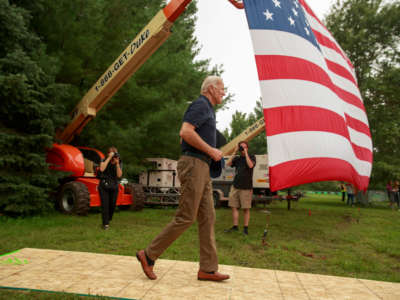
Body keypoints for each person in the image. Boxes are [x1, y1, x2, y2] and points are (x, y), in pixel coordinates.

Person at [136, 76, 230, 282]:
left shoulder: (207, 109)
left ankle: (208, 269)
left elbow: (186, 136)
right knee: (186, 216)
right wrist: (211, 150)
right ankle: (149, 255)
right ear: (211, 89)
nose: (224, 92)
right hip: (194, 165)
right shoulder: (201, 104)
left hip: (202, 167)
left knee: (208, 217)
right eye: (222, 88)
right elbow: (185, 132)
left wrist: (210, 154)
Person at [224, 141, 256, 235]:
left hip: (246, 187)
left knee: (246, 209)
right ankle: (235, 226)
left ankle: (245, 228)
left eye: (244, 147)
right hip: (235, 186)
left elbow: (250, 165)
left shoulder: (252, 157)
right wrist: (234, 152)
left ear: (247, 148)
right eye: (241, 147)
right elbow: (228, 164)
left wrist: (245, 153)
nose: (242, 149)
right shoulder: (237, 159)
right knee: (234, 207)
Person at [98, 146, 122, 230]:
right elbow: (101, 169)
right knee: (105, 205)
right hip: (104, 185)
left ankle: (108, 219)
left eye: (115, 153)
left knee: (112, 205)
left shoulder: (118, 161)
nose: (113, 155)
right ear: (108, 153)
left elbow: (119, 175)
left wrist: (117, 164)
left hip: (114, 185)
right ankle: (105, 224)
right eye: (112, 153)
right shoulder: (104, 160)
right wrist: (109, 158)